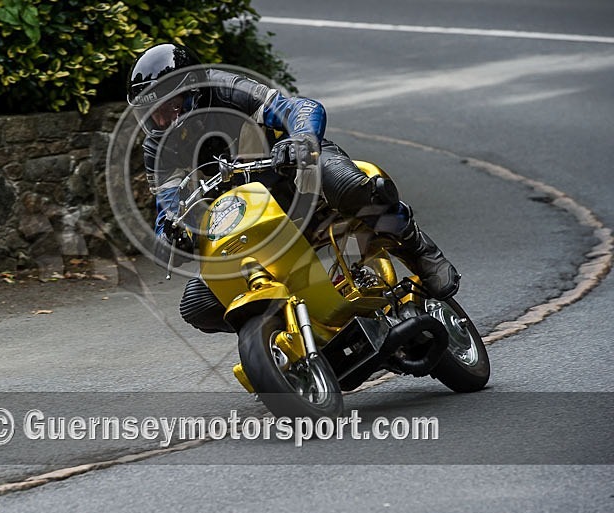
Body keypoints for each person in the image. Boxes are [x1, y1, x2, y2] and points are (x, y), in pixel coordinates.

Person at [126, 43, 459, 333]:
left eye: (168, 106)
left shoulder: (227, 89)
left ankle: (419, 249)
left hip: (294, 178)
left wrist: (299, 140)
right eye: (151, 113)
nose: (161, 121)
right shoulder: (158, 147)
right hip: (246, 216)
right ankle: (281, 329)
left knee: (351, 185)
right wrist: (171, 233)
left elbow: (300, 108)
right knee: (197, 304)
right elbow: (168, 208)